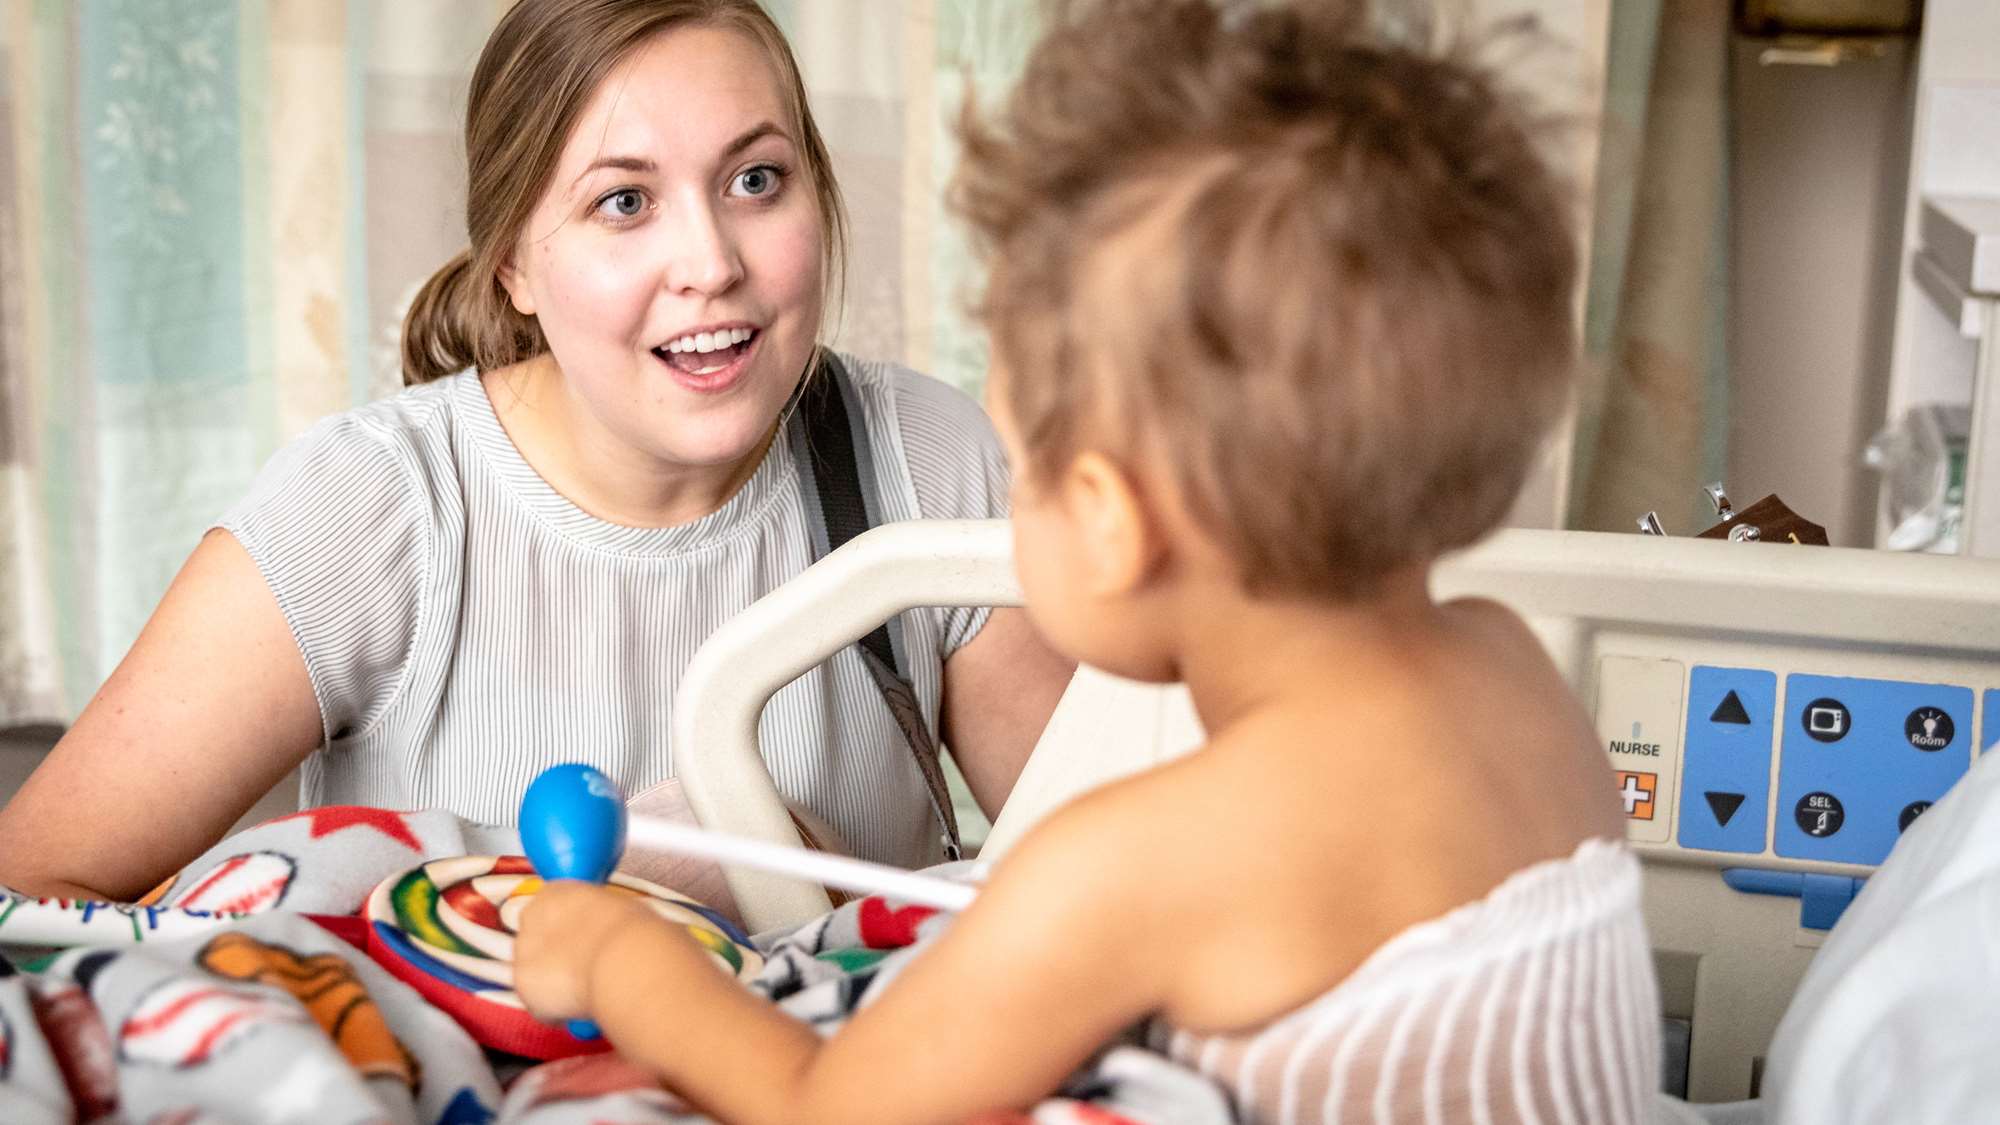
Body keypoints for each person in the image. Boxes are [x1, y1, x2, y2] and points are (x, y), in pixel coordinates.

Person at [511, 0, 1666, 1121]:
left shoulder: (1150, 859)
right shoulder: (1516, 678)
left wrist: (620, 959)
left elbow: (826, 1104)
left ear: (1110, 520)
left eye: (1027, 470)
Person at [0, 0, 1073, 902]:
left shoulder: (920, 459)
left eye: (755, 180)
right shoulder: (373, 512)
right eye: (623, 202)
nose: (708, 262)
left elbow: (1100, 890)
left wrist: (824, 888)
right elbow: (32, 897)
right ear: (512, 262)